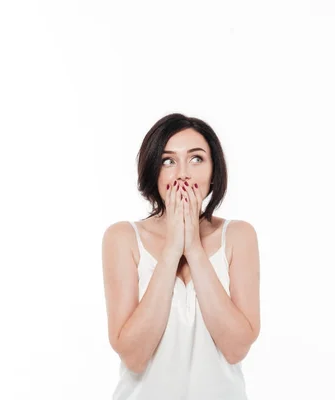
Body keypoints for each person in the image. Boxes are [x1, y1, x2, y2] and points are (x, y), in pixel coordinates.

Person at [102, 113, 261, 399]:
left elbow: (236, 349)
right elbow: (134, 356)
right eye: (168, 161)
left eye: (196, 159)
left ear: (214, 171)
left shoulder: (239, 236)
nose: (183, 174)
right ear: (154, 171)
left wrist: (194, 250)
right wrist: (173, 249)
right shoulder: (122, 238)